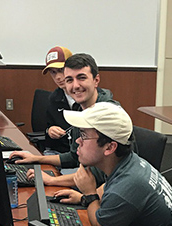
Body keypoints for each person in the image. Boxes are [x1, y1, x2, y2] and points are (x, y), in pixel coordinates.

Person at [53, 102, 172, 226]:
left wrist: (89, 194)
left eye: (84, 135)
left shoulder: (128, 185)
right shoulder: (129, 162)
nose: (78, 140)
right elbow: (109, 187)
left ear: (109, 147)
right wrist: (82, 197)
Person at [9, 53, 118, 186]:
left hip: (107, 188)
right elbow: (74, 157)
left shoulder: (107, 114)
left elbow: (100, 174)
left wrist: (52, 180)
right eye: (69, 80)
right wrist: (35, 158)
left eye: (81, 78)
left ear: (96, 80)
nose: (75, 86)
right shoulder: (80, 110)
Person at [42, 46, 74, 154]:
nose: (58, 77)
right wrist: (50, 131)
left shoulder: (88, 97)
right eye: (53, 72)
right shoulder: (54, 98)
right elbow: (47, 128)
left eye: (61, 70)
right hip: (59, 153)